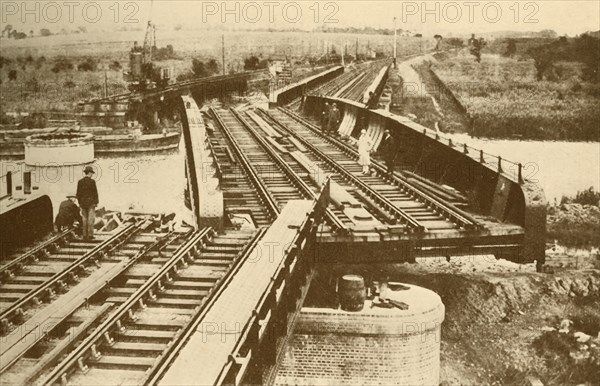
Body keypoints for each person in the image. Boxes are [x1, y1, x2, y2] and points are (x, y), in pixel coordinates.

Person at [76, 166, 99, 240]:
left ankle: (84, 235)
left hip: (83, 203)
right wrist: (96, 202)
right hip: (91, 203)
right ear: (89, 173)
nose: (92, 174)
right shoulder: (92, 182)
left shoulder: (80, 182)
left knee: (84, 219)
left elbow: (78, 194)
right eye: (91, 173)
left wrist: (79, 203)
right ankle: (90, 235)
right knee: (90, 219)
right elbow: (95, 193)